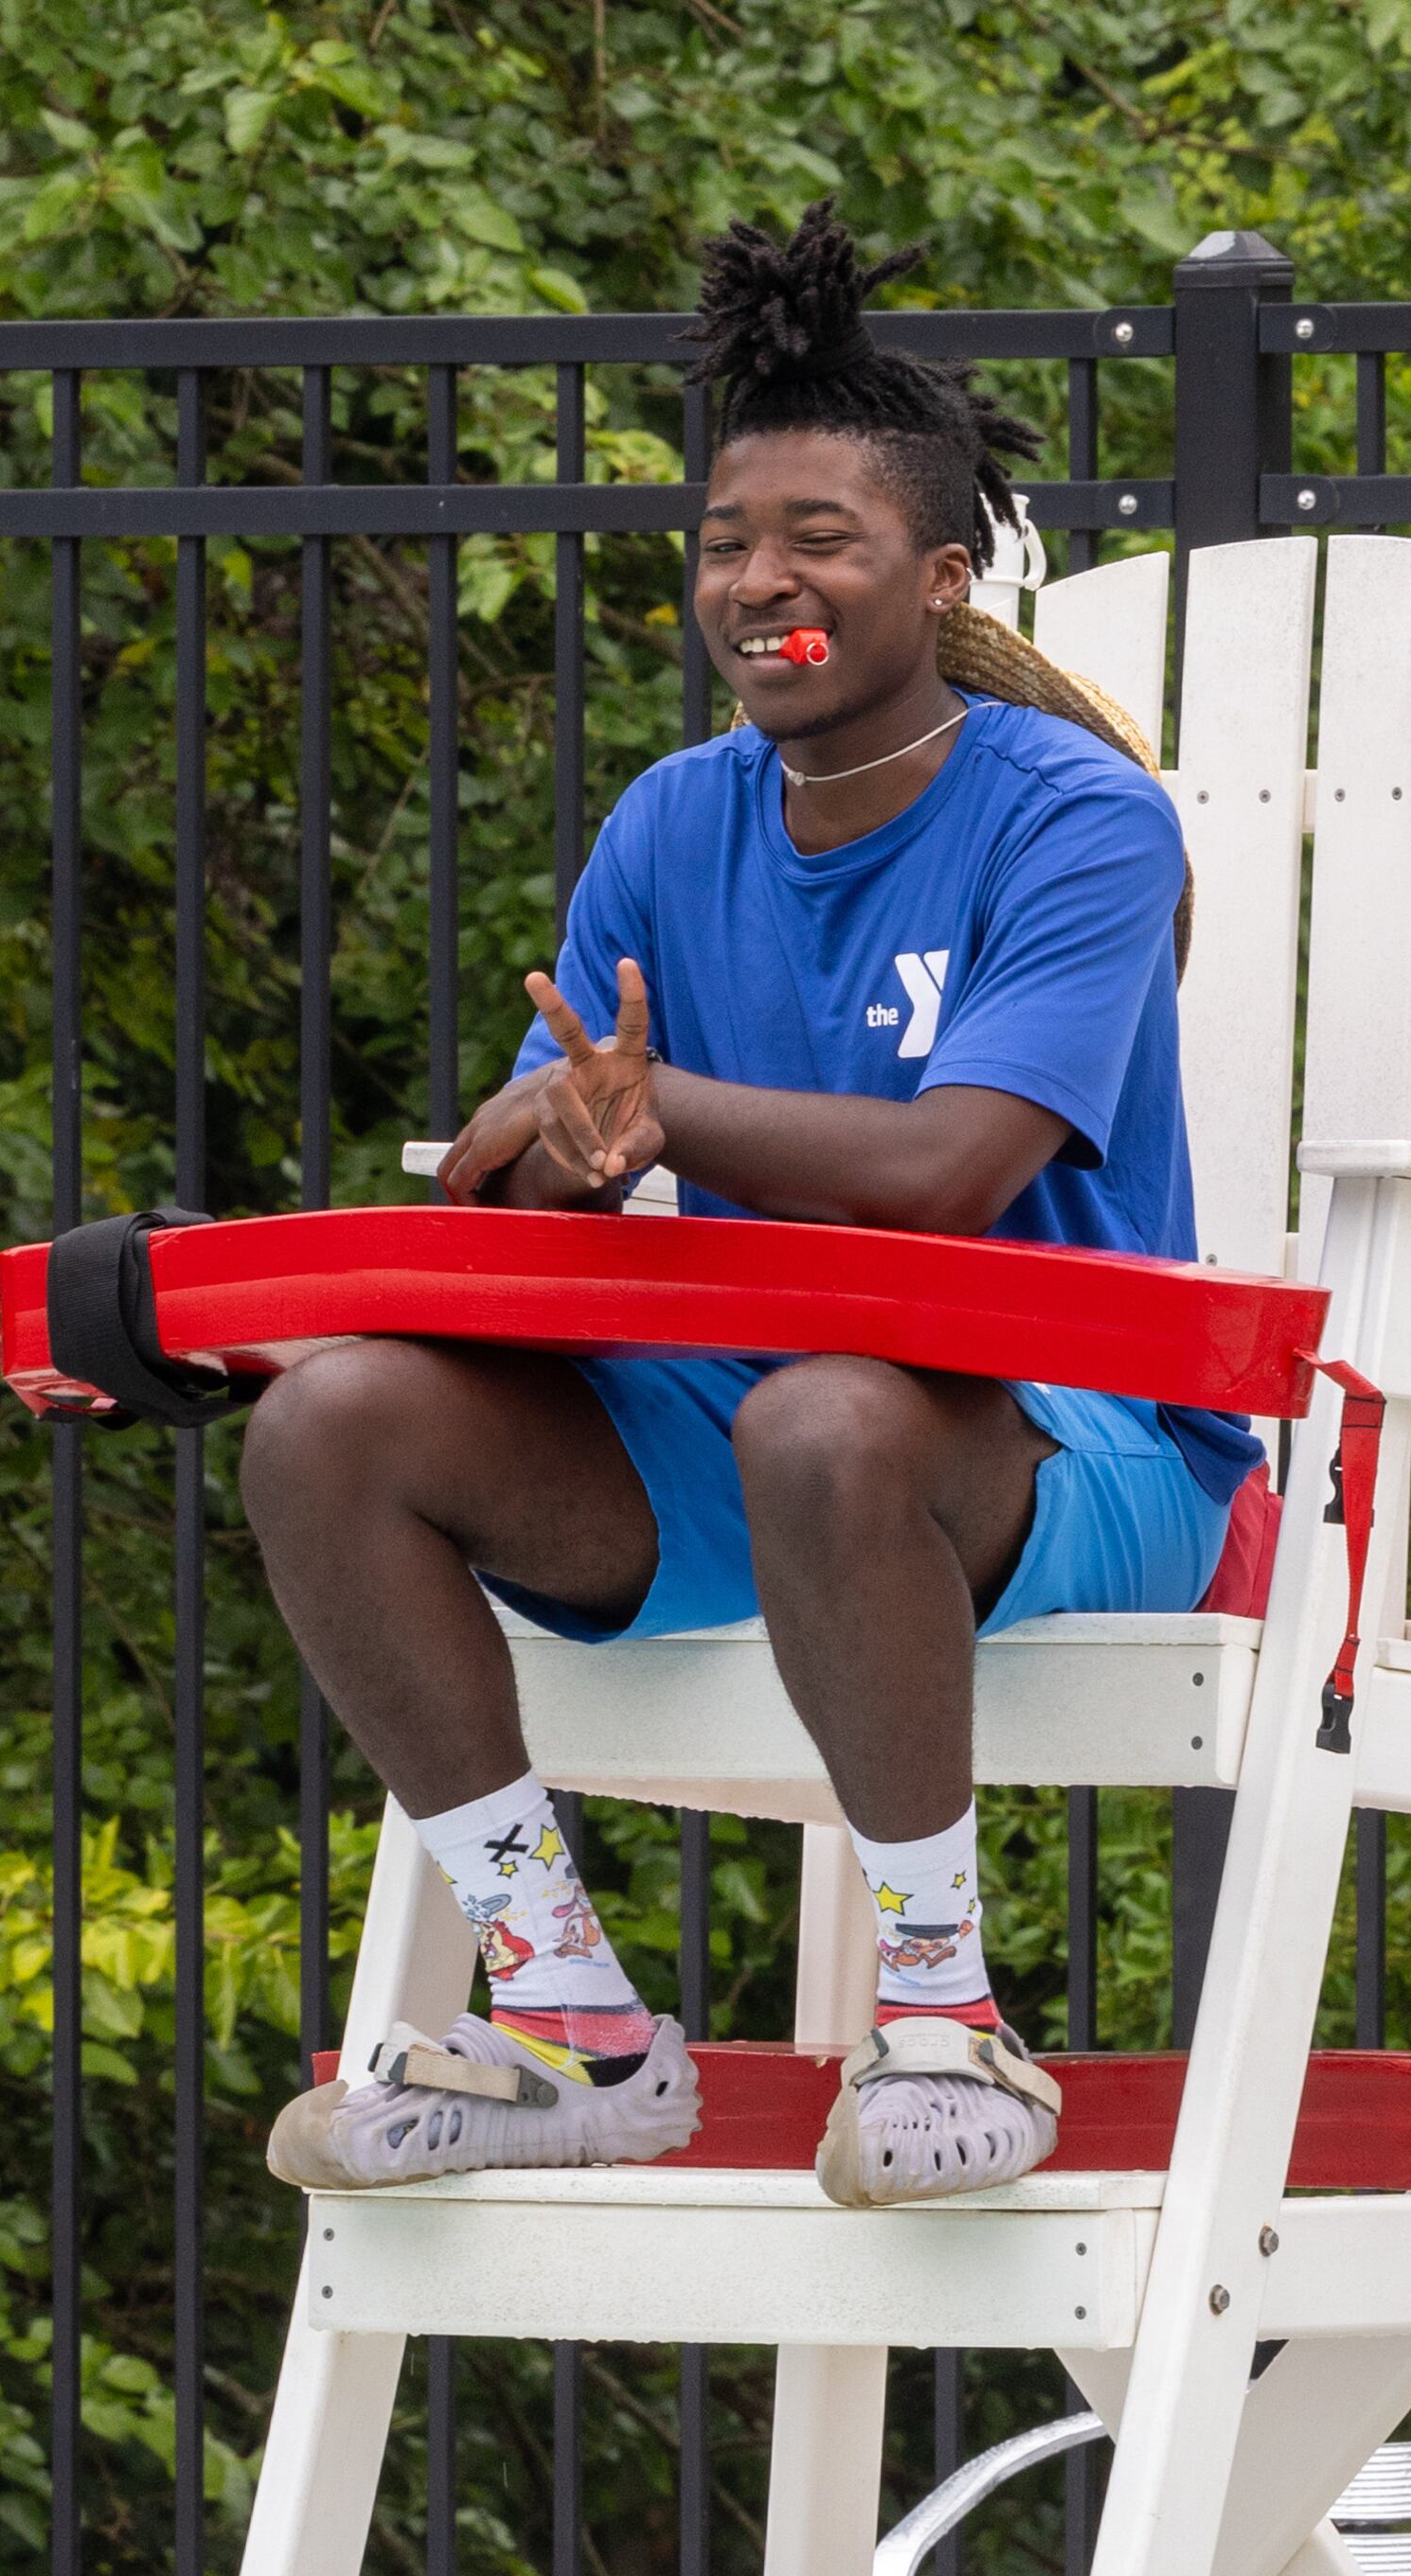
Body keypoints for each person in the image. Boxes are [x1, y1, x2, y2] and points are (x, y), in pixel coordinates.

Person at [253, 206, 1256, 2220]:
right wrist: (535, 1151)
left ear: (937, 575)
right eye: (727, 539)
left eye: (823, 538)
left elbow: (957, 1172)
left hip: (1074, 1437)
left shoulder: (1077, 817)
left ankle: (943, 2021)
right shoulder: (670, 819)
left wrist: (636, 1113)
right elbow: (560, 1156)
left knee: (826, 1413)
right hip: (744, 1419)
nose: (760, 581)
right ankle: (569, 2024)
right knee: (329, 1425)